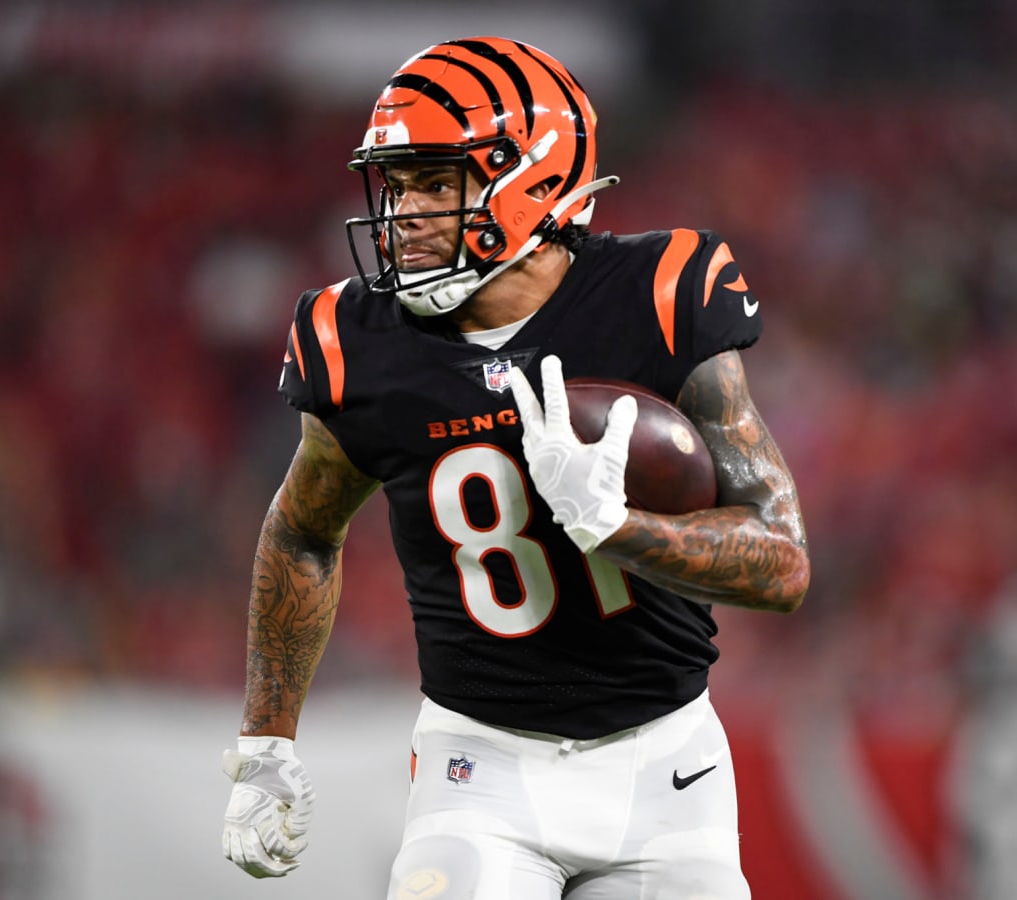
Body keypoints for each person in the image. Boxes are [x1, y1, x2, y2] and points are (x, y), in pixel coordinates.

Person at [220, 35, 810, 900]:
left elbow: (782, 560)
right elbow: (303, 531)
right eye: (396, 184)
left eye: (435, 181)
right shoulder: (357, 340)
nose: (403, 214)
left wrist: (619, 529)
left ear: (529, 177)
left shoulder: (661, 293)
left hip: (666, 765)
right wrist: (266, 744)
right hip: (480, 766)